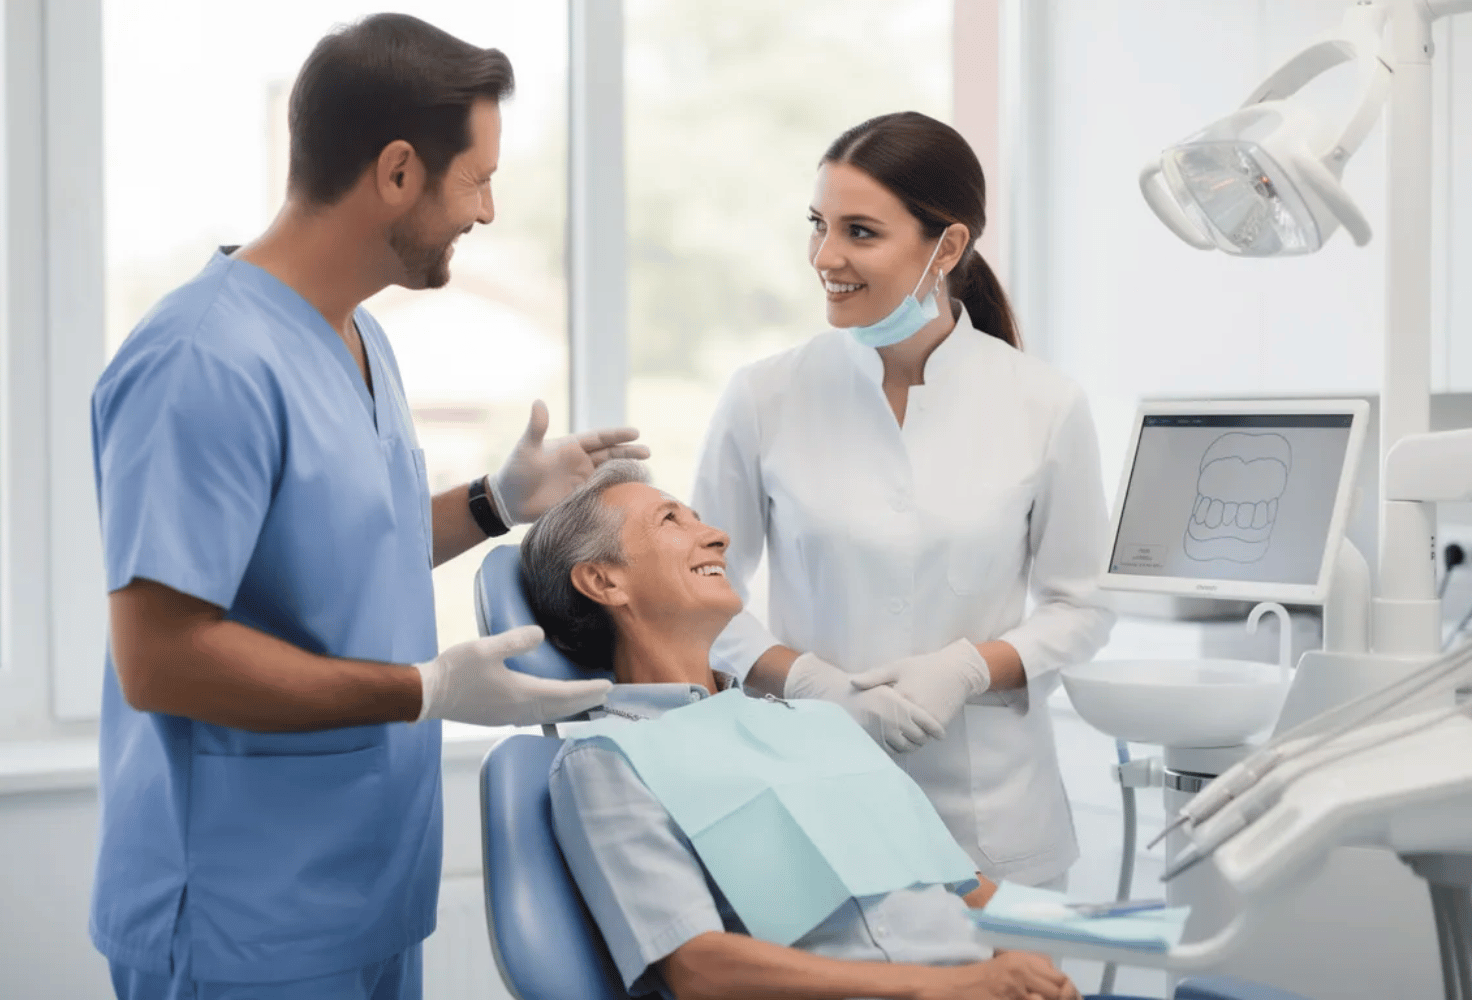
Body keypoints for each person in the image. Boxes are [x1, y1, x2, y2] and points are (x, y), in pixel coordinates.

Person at [89, 15, 645, 999]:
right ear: (397, 172)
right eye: (475, 178)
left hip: (367, 892)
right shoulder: (201, 360)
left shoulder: (357, 339)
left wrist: (493, 502)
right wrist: (423, 690)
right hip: (242, 917)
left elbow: (340, 553)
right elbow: (160, 656)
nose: (487, 211)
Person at [691, 111, 1115, 891]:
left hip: (996, 824)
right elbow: (701, 596)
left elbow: (1081, 608)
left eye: (860, 232)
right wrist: (810, 681)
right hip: (818, 806)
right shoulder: (764, 397)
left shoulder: (1044, 405)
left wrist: (967, 670)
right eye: (818, 225)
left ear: (947, 248)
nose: (825, 257)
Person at [520, 460, 1080, 1000]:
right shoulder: (612, 758)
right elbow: (697, 968)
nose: (717, 537)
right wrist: (947, 988)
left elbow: (967, 886)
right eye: (671, 521)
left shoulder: (813, 723)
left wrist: (1024, 960)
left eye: (699, 518)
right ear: (602, 580)